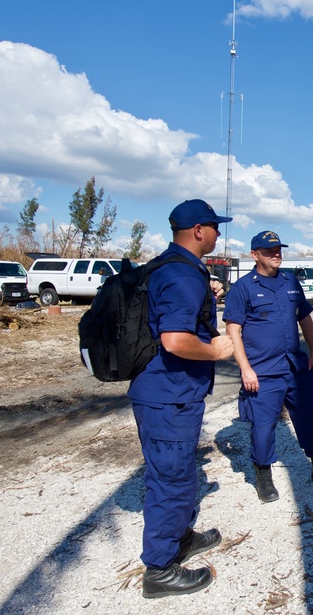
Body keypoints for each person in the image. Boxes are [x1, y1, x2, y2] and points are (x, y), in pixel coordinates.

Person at [127, 199, 235, 598]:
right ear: (198, 231)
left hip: (167, 393)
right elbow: (174, 340)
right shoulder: (182, 276)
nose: (218, 234)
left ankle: (180, 537)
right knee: (170, 478)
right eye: (214, 227)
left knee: (179, 472)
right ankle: (159, 568)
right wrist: (216, 351)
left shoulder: (171, 267)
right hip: (168, 396)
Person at [223, 230, 313, 503]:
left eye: (278, 249)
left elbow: (305, 319)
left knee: (311, 415)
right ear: (255, 255)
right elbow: (233, 330)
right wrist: (245, 368)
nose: (276, 254)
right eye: (269, 251)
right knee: (263, 426)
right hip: (263, 370)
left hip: (296, 366)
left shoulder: (290, 281)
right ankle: (263, 477)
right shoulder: (243, 288)